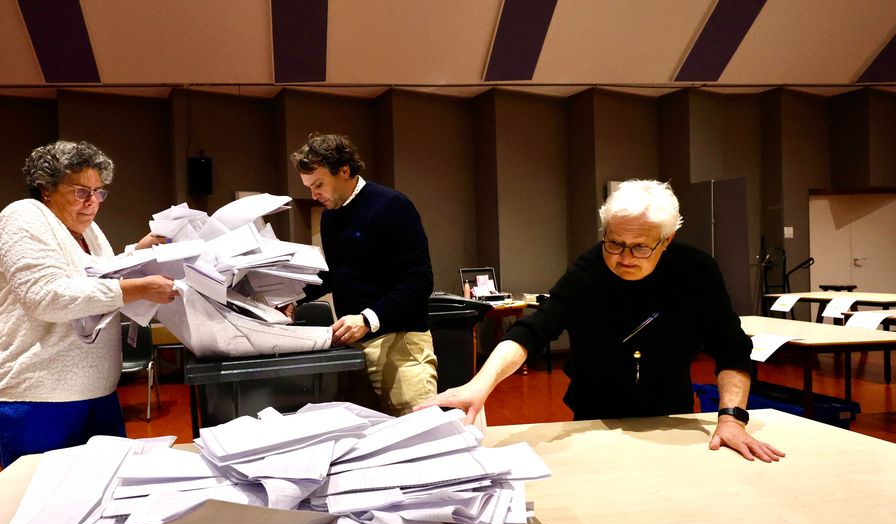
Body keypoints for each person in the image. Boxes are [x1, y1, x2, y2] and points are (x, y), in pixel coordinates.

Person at [420, 179, 784, 462]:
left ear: (667, 239)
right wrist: (480, 385)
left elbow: (732, 349)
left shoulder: (696, 271)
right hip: (592, 411)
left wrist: (731, 418)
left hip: (669, 411)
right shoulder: (589, 269)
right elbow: (532, 331)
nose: (624, 257)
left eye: (640, 246)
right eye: (614, 243)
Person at [0, 140, 178, 468]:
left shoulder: (88, 231)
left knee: (105, 496)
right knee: (44, 505)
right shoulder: (22, 217)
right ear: (46, 188)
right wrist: (135, 288)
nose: (93, 202)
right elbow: (47, 296)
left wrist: (137, 254)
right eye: (81, 191)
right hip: (34, 395)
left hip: (93, 391)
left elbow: (94, 276)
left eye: (99, 192)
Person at [289, 133, 438, 416]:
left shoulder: (392, 205)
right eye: (309, 187)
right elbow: (336, 274)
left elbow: (420, 280)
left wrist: (368, 318)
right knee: (363, 440)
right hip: (354, 343)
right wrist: (293, 299)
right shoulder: (331, 216)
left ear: (344, 171)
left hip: (400, 343)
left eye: (318, 184)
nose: (314, 195)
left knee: (414, 436)